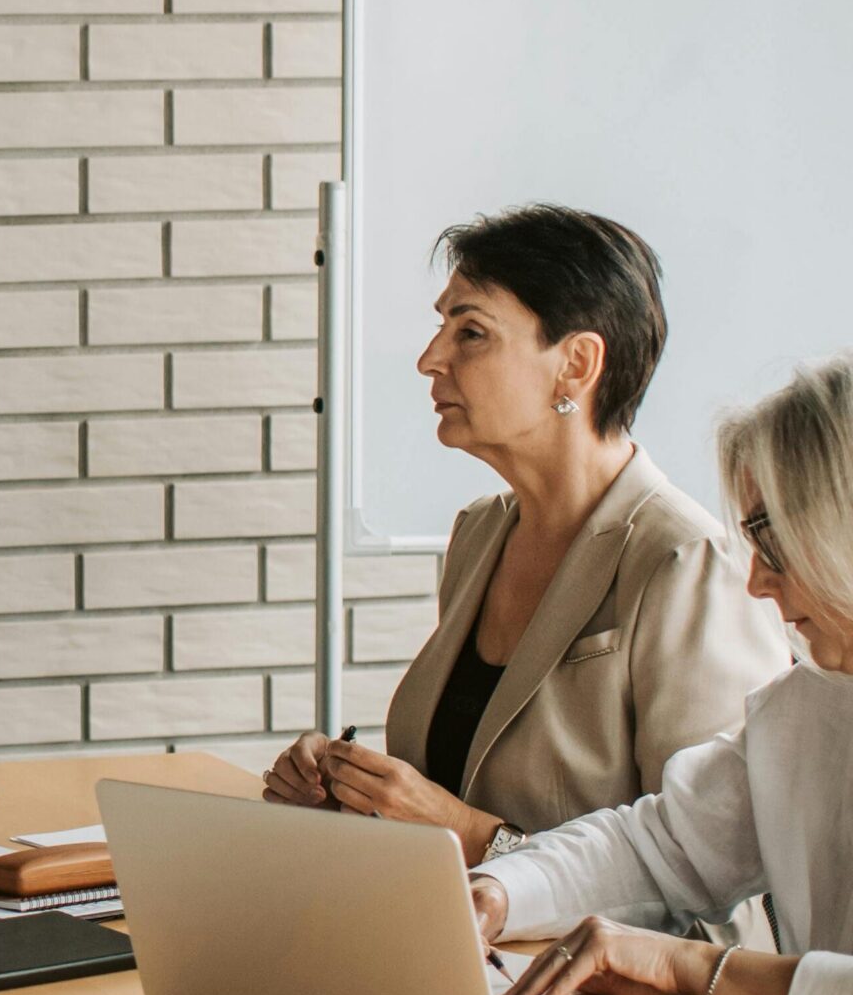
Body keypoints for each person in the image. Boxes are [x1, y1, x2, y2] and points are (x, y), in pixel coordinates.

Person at [266, 206, 783, 866]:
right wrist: (350, 801)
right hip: (450, 957)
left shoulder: (688, 563)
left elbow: (721, 890)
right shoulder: (479, 534)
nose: (430, 359)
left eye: (472, 332)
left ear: (576, 364)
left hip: (572, 971)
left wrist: (468, 832)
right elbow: (442, 802)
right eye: (441, 328)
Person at [483, 357, 853, 995]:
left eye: (770, 539)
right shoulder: (802, 708)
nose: (757, 582)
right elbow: (656, 847)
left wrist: (693, 969)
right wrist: (495, 891)